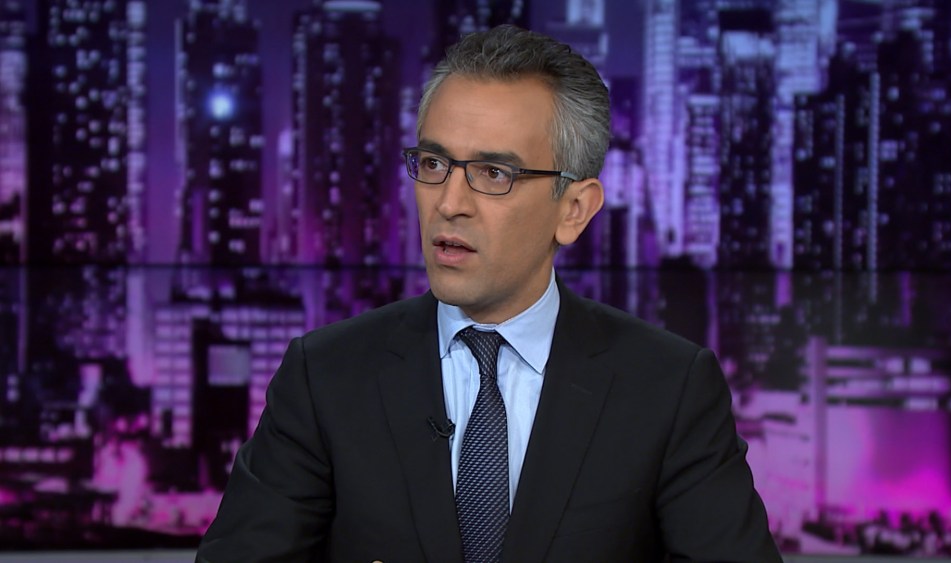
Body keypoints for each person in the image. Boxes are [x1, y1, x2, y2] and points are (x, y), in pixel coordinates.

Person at [197, 25, 782, 562]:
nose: (449, 203)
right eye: (433, 163)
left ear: (574, 210)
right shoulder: (324, 376)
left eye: (494, 174)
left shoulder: (670, 389)